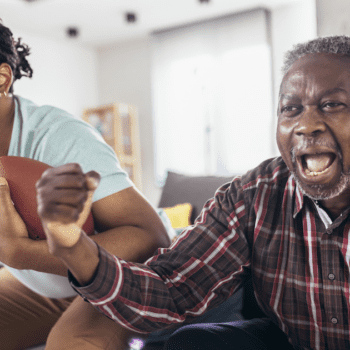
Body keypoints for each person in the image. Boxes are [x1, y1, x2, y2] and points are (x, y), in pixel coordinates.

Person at [35, 35, 350, 350]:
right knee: (194, 343)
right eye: (291, 109)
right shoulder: (252, 197)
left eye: (332, 104)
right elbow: (172, 291)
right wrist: (71, 243)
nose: (305, 125)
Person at [0, 20, 171, 350]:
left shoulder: (58, 137)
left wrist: (20, 252)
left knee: (74, 344)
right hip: (60, 287)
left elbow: (152, 239)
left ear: (2, 78)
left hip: (135, 278)